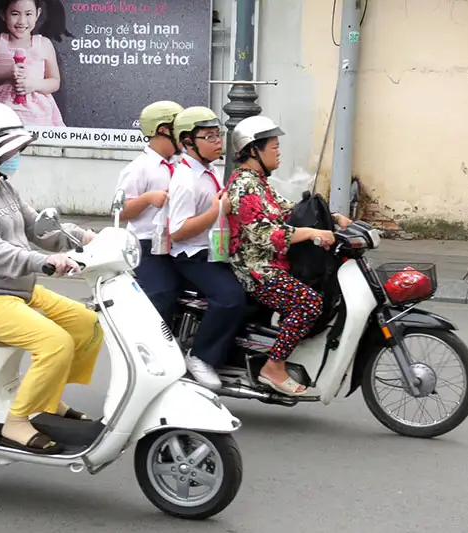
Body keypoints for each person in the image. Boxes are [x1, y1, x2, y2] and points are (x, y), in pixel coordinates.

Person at [0, 101, 101, 455]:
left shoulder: (3, 185)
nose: (18, 153)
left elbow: (40, 228)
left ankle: (49, 400)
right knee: (55, 342)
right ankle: (16, 422)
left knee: (86, 323)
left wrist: (88, 237)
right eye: (12, 147)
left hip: (19, 290)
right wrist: (43, 262)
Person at [226, 115, 351, 396]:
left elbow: (288, 212)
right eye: (274, 146)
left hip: (272, 263)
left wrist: (332, 219)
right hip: (255, 269)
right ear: (253, 149)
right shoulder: (244, 186)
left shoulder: (259, 183)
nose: (278, 152)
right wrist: (308, 233)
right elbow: (263, 233)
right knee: (308, 302)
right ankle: (274, 365)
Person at [167, 106, 247, 390]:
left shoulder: (207, 170)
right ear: (188, 142)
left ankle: (233, 354)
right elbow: (176, 231)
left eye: (218, 135)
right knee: (230, 297)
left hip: (214, 249)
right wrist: (216, 212)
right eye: (209, 137)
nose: (217, 142)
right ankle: (200, 356)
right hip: (193, 255)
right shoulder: (185, 180)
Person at [115, 100, 184, 324]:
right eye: (180, 128)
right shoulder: (139, 168)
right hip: (145, 244)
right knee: (161, 292)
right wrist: (147, 198)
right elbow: (120, 211)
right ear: (163, 130)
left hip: (177, 240)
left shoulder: (181, 165)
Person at [0, 0, 70, 127]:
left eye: (28, 14)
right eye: (15, 14)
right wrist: (6, 74)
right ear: (3, 15)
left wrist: (32, 85)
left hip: (35, 115)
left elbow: (54, 82)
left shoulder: (44, 44)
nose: (22, 21)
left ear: (37, 14)